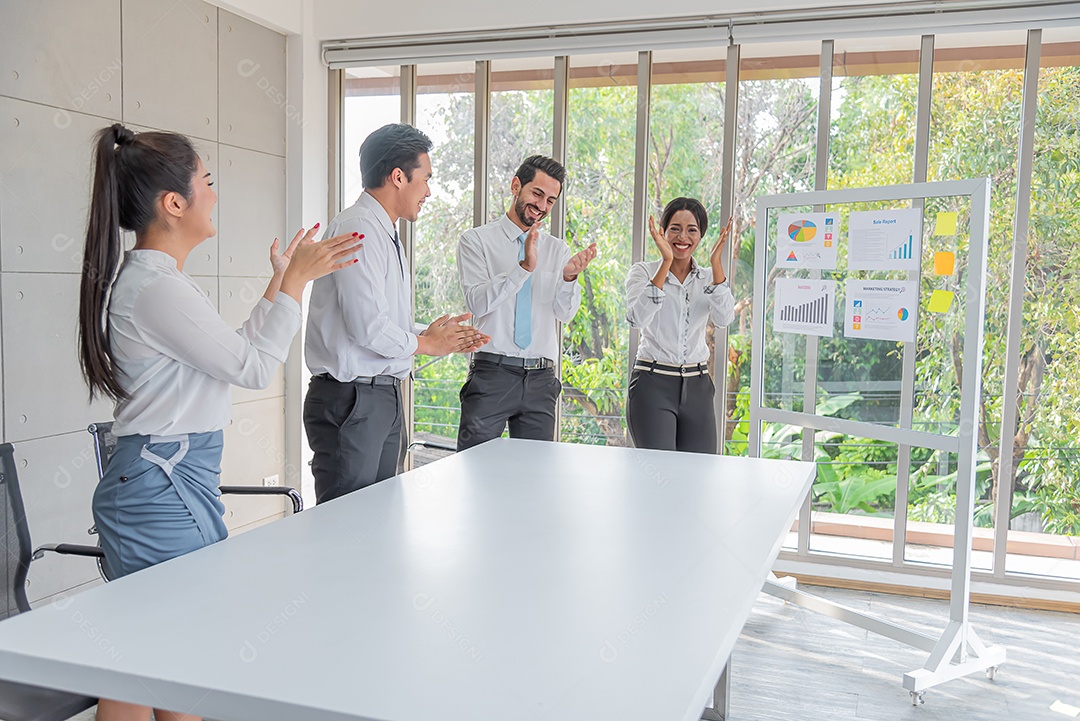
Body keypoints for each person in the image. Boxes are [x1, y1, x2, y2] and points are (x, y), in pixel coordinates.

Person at [77, 123, 360, 721]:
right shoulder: (157, 289)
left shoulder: (158, 283)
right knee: (179, 664)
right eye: (207, 181)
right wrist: (297, 283)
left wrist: (283, 280)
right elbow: (253, 367)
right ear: (173, 203)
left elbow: (230, 357)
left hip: (164, 481)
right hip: (161, 486)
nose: (214, 193)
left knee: (147, 661)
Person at [304, 123, 488, 503]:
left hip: (378, 397)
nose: (429, 191)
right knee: (347, 527)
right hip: (352, 399)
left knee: (377, 520)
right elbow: (367, 329)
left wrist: (436, 335)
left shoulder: (382, 229)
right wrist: (427, 344)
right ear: (398, 177)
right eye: (426, 179)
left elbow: (380, 320)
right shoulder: (359, 228)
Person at [455, 155, 597, 451]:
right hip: (492, 374)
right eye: (537, 193)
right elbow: (478, 303)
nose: (543, 206)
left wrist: (569, 278)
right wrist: (523, 268)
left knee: (537, 478)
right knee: (472, 470)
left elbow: (565, 313)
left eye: (551, 200)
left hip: (541, 381)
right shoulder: (476, 241)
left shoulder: (558, 249)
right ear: (515, 185)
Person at [625, 197, 735, 453]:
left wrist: (716, 263)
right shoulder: (643, 271)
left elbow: (724, 319)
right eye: (674, 228)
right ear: (662, 231)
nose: (682, 236)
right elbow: (636, 319)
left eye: (692, 230)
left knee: (700, 472)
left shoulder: (709, 276)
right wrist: (665, 263)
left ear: (701, 235)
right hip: (653, 384)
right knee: (659, 474)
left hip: (698, 386)